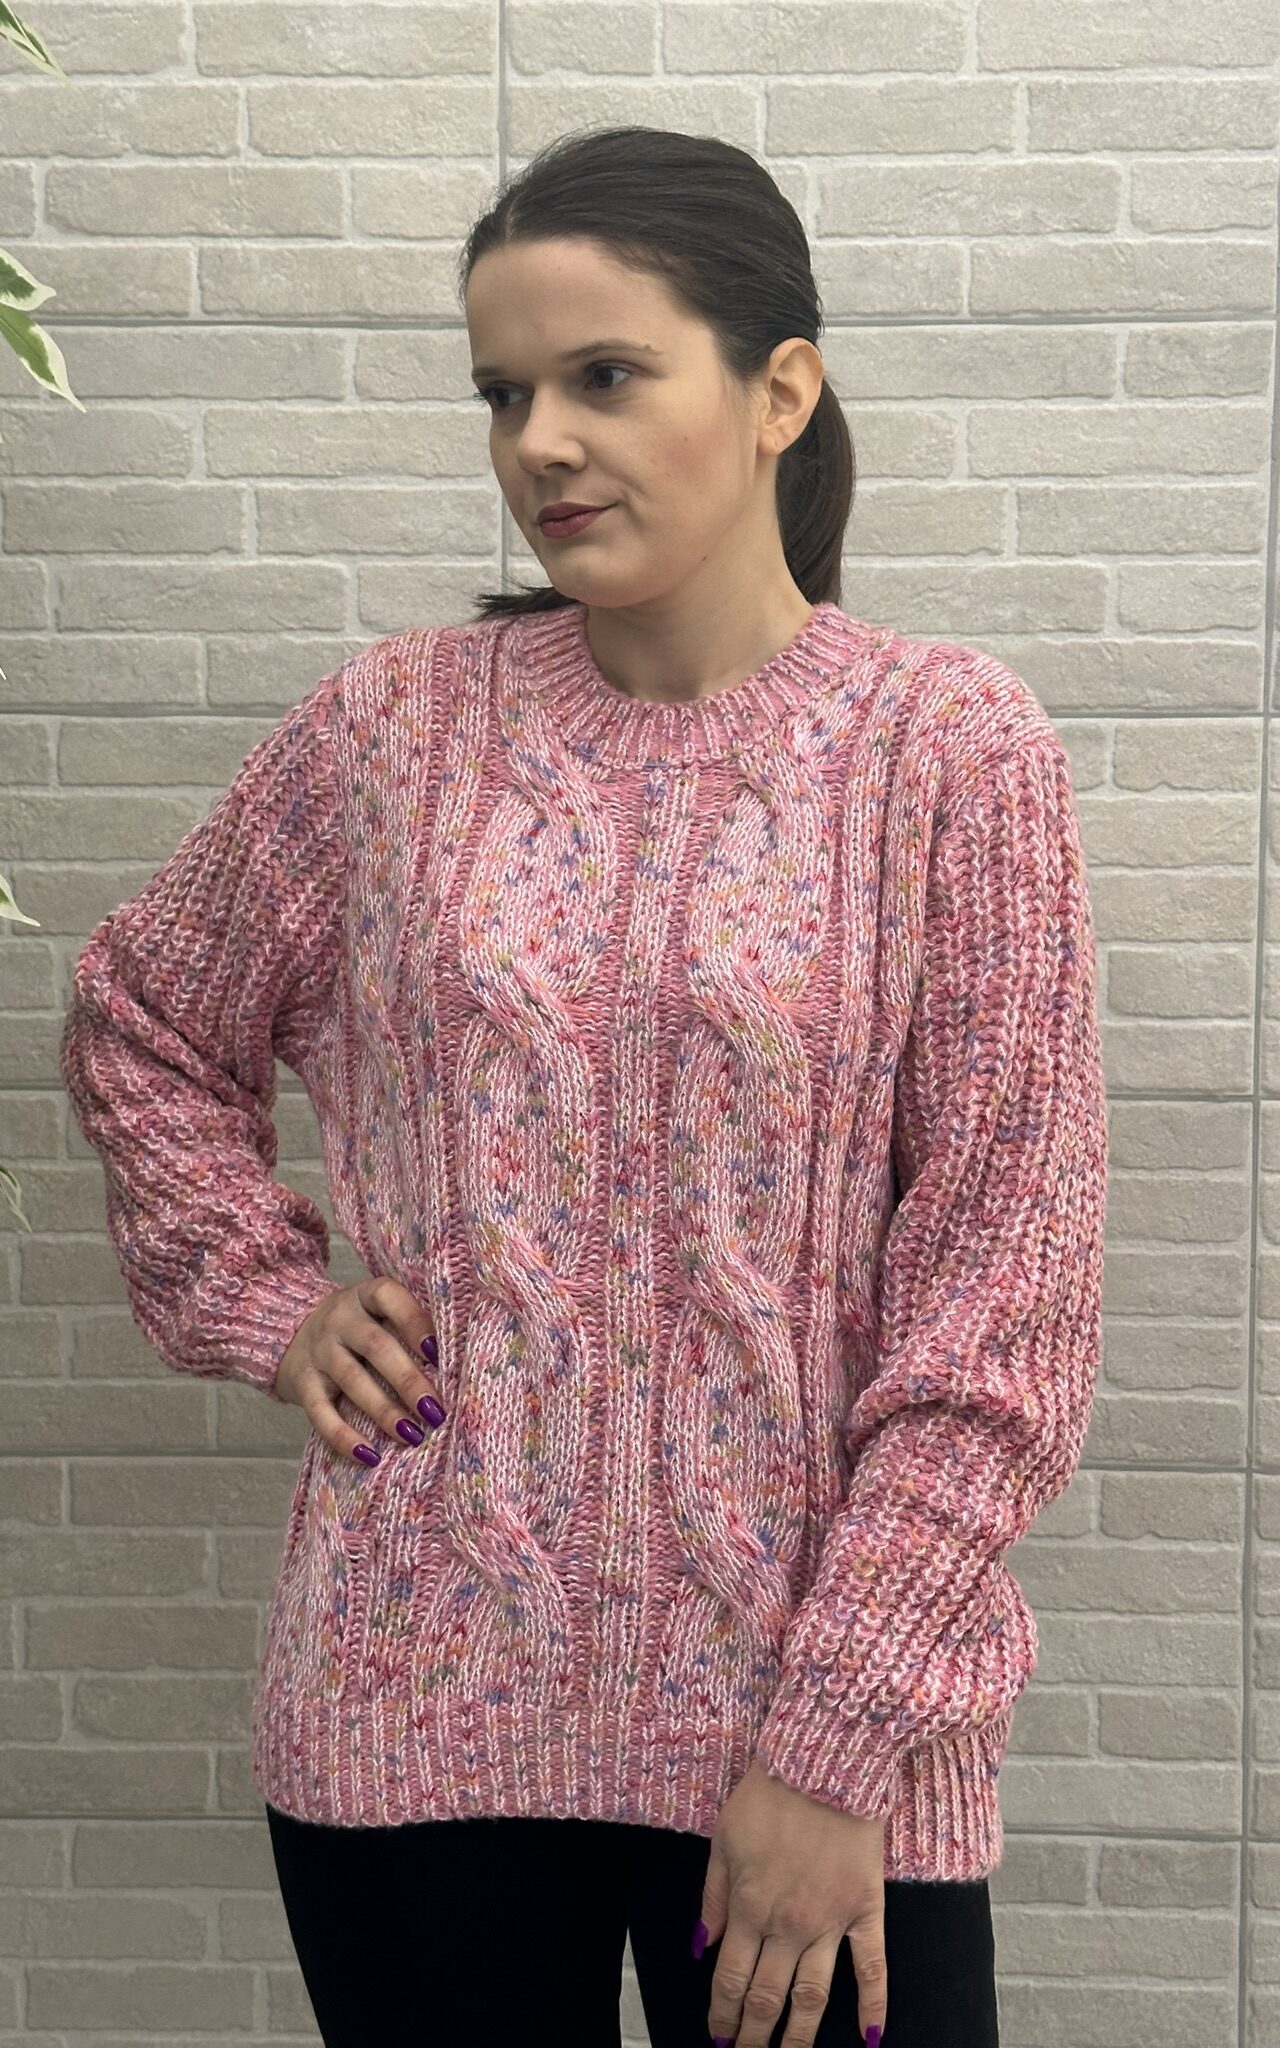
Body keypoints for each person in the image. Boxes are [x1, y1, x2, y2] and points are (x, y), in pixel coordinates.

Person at [58, 126, 1109, 2048]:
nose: (541, 441)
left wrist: (835, 1742)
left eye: (606, 375)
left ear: (780, 390)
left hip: (814, 1746)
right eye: (503, 393)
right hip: (414, 1700)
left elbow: (1000, 1317)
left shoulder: (951, 751)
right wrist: (267, 1300)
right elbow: (142, 1013)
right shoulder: (394, 731)